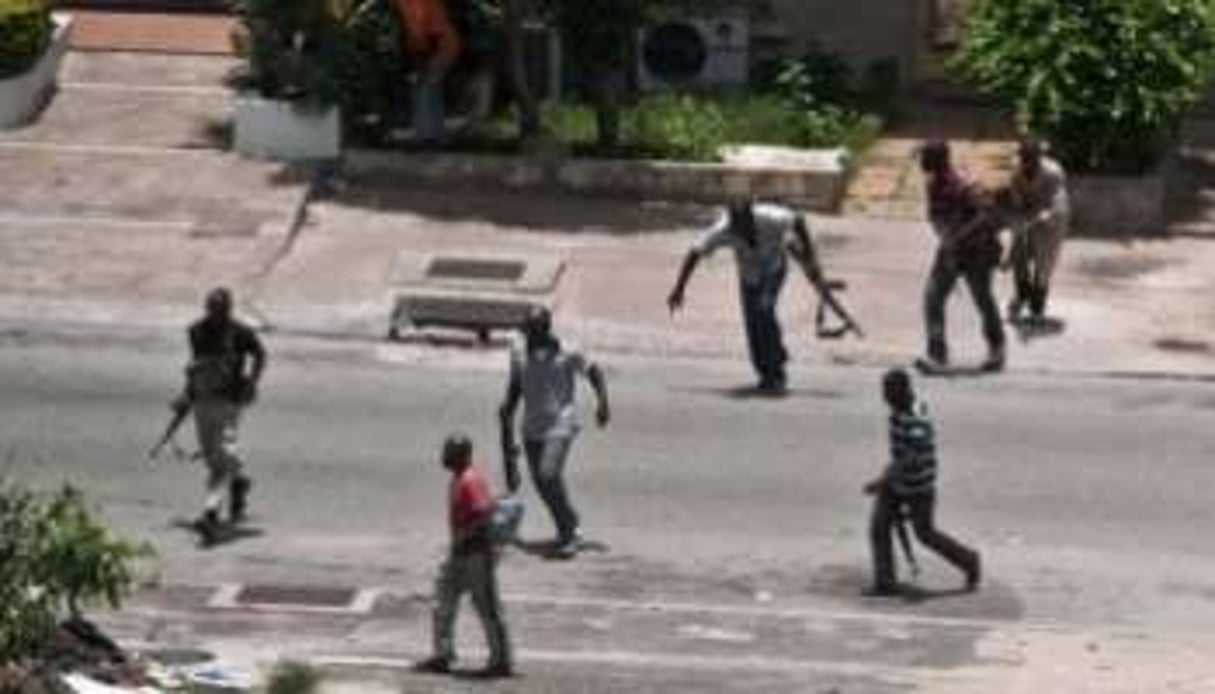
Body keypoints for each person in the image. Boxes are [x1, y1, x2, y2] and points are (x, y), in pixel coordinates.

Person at [667, 198, 823, 393]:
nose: (744, 233)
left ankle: (776, 372)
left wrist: (809, 258)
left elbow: (798, 219)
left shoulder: (768, 217)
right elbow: (695, 252)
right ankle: (767, 372)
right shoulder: (723, 229)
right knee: (753, 326)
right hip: (749, 277)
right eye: (738, 229)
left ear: (752, 217)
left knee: (764, 310)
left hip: (774, 268)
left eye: (746, 226)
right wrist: (679, 288)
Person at [499, 306, 610, 559]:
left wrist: (603, 402)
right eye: (526, 332)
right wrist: (508, 436)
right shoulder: (519, 351)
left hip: (561, 423)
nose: (528, 338)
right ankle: (568, 523)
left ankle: (569, 532)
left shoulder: (568, 351)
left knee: (548, 475)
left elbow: (594, 371)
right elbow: (514, 390)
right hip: (531, 427)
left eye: (532, 333)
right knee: (543, 484)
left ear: (545, 331)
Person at [864, 368, 981, 596]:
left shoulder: (914, 419)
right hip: (898, 482)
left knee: (925, 534)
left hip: (918, 485)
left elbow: (912, 455)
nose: (885, 398)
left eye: (889, 392)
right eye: (885, 391)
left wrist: (883, 479)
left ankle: (969, 561)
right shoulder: (906, 408)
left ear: (903, 392)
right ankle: (884, 581)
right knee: (879, 527)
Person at [415, 434, 513, 678]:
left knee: (487, 609)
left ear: (463, 456)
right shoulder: (458, 479)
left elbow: (484, 514)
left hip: (476, 556)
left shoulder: (470, 480)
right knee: (442, 603)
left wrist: (463, 536)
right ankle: (443, 654)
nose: (446, 456)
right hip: (459, 555)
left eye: (451, 453)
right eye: (447, 451)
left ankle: (501, 660)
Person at [175, 287, 266, 546]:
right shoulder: (196, 331)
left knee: (221, 458)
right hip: (203, 401)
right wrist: (186, 396)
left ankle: (211, 512)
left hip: (230, 402)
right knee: (214, 456)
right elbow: (196, 367)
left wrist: (252, 382)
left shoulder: (241, 332)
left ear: (229, 309)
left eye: (222, 309)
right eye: (213, 309)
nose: (217, 314)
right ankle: (239, 482)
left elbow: (260, 355)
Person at [918, 140, 1007, 372]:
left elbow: (985, 214)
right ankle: (937, 355)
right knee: (933, 298)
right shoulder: (933, 183)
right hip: (951, 249)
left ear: (938, 159)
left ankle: (996, 350)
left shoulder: (961, 184)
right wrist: (947, 239)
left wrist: (958, 236)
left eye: (925, 157)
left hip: (976, 251)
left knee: (982, 299)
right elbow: (937, 216)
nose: (921, 161)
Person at [1008, 138, 1070, 321]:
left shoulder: (1054, 172)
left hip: (1053, 220)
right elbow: (1016, 199)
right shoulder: (1016, 170)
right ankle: (1022, 294)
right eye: (1024, 158)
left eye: (1031, 159)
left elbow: (1058, 202)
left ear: (1038, 157)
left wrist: (1047, 215)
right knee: (1019, 256)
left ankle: (1037, 307)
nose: (1026, 163)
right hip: (1028, 215)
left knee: (1044, 265)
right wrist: (1019, 224)